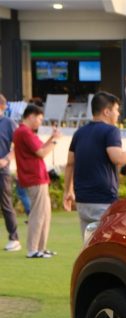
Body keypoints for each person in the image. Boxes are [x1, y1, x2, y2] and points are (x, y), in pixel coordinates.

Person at [63, 91, 126, 239]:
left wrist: (68, 191)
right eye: (116, 110)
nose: (118, 114)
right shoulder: (111, 131)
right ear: (106, 111)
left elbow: (70, 164)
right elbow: (118, 158)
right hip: (102, 200)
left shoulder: (79, 133)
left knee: (89, 243)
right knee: (106, 244)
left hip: (83, 200)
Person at [13, 104, 59, 258]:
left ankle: (40, 248)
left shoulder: (25, 132)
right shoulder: (24, 132)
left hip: (38, 177)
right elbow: (42, 152)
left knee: (45, 214)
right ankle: (33, 249)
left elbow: (40, 147)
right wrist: (55, 142)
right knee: (38, 214)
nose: (40, 122)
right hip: (34, 177)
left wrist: (52, 138)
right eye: (39, 119)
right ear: (31, 116)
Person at [0, 94, 21, 252]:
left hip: (2, 171)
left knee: (6, 204)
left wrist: (6, 159)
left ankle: (14, 238)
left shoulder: (9, 123)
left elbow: (18, 146)